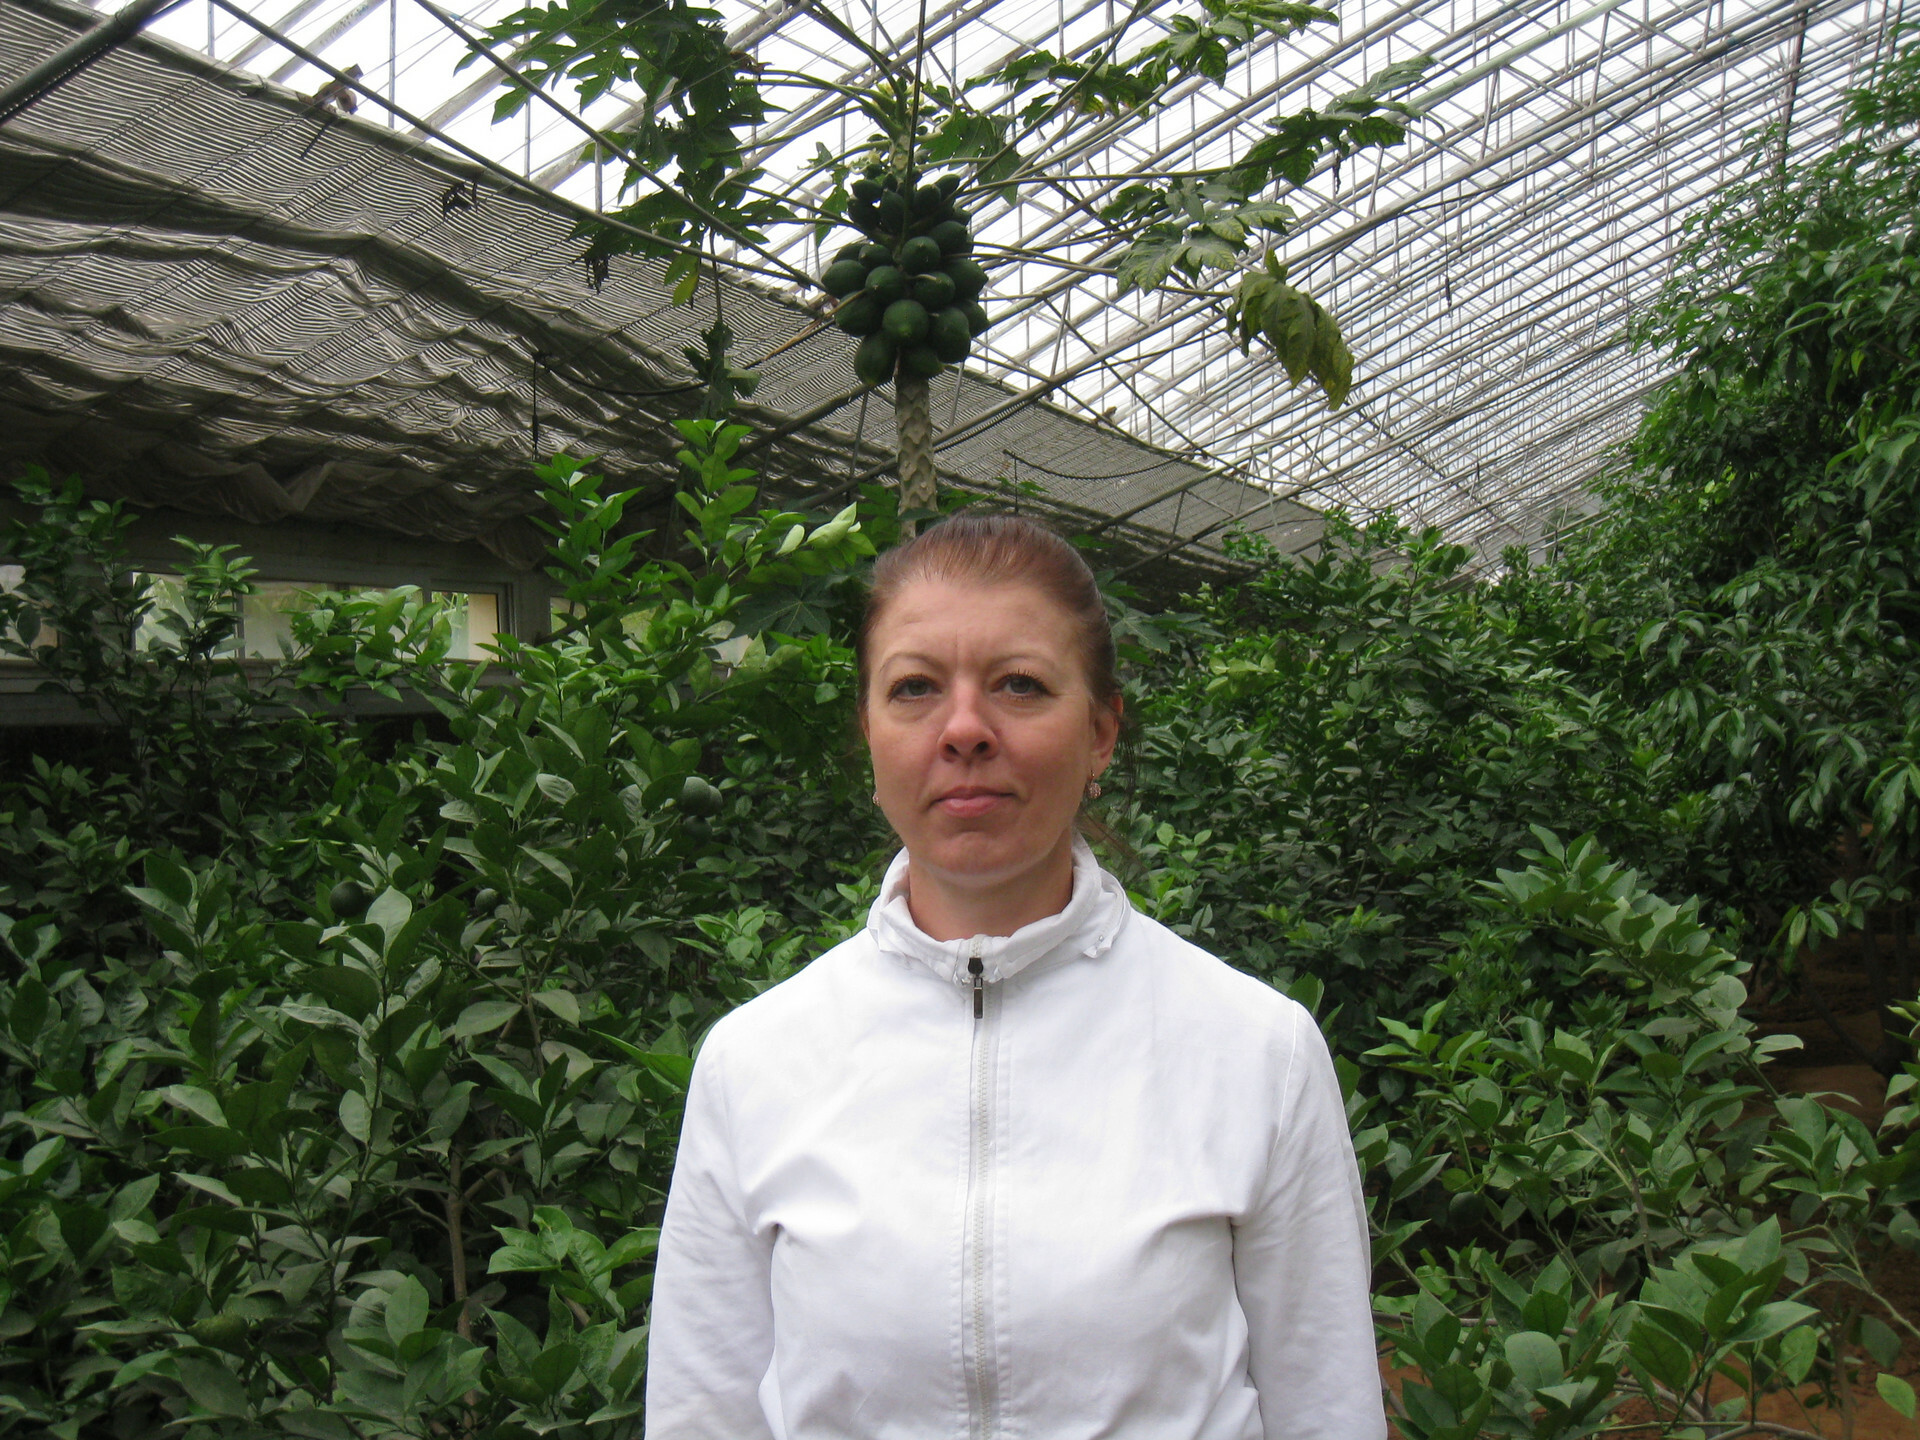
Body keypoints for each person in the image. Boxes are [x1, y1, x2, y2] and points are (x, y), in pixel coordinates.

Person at [644, 515, 1384, 1440]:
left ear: (1101, 733)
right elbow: (702, 1415)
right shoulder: (754, 1064)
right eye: (915, 688)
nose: (964, 729)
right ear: (869, 733)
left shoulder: (1255, 1052)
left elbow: (1327, 1409)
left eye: (1020, 685)